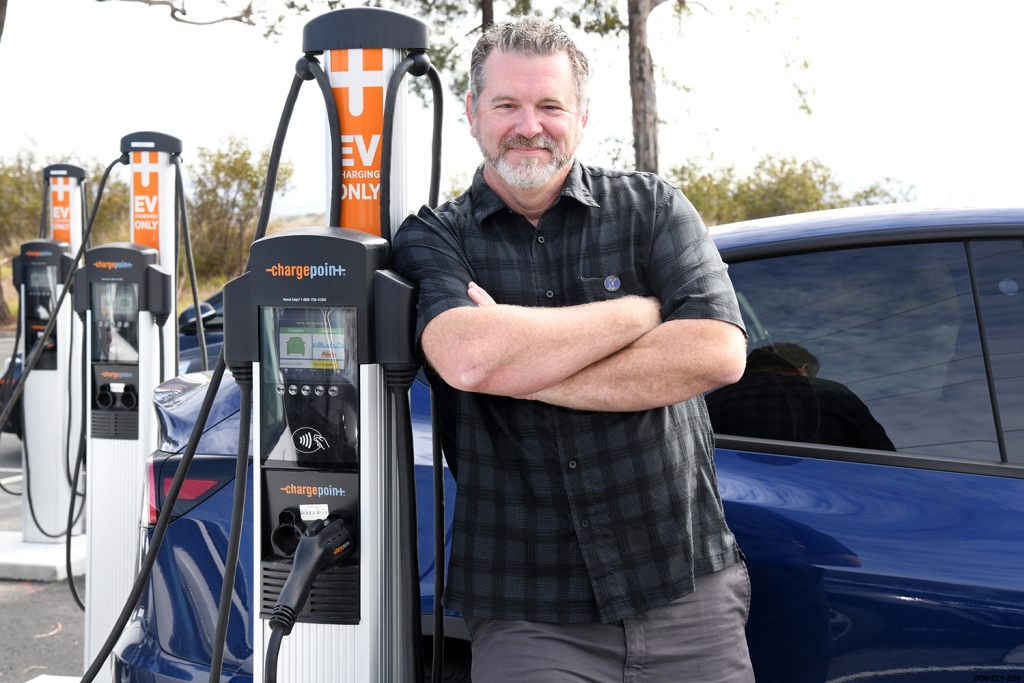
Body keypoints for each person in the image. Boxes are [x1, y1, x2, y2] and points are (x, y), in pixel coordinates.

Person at [391, 17, 752, 683]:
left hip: (685, 588)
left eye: (549, 105)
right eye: (507, 105)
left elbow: (717, 352)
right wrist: (637, 314)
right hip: (529, 614)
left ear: (582, 116)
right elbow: (469, 358)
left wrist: (518, 364)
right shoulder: (434, 237)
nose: (529, 125)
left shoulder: (652, 210)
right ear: (471, 113)